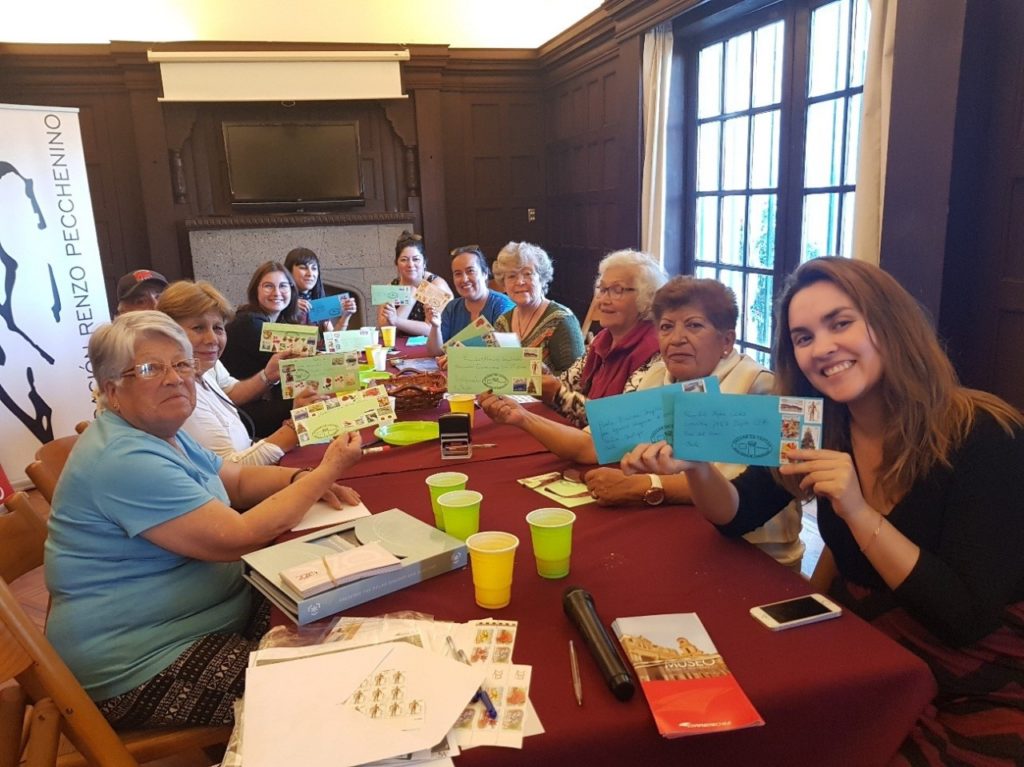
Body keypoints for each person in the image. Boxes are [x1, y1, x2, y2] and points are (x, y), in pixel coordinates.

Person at [621, 257, 1024, 763]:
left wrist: (856, 509)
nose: (822, 348)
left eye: (840, 323)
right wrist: (697, 466)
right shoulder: (815, 425)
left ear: (889, 324)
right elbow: (737, 515)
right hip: (864, 643)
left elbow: (963, 618)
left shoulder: (984, 433)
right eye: (804, 337)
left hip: (974, 670)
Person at [44, 310, 362, 728]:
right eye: (150, 369)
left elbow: (238, 480)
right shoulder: (123, 457)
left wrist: (299, 478)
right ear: (112, 390)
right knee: (326, 689)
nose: (175, 378)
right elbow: (238, 536)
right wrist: (326, 472)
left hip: (205, 616)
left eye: (181, 364)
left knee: (347, 607)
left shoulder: (161, 432)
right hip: (139, 662)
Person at [480, 275, 804, 568]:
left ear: (726, 341)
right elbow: (591, 445)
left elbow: (733, 487)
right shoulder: (657, 377)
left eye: (694, 326)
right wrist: (521, 418)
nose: (676, 339)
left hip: (755, 553)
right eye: (666, 327)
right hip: (679, 534)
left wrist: (645, 486)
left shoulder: (758, 386)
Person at [158, 280, 321, 465]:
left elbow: (231, 390)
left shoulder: (205, 366)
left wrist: (269, 375)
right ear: (169, 333)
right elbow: (232, 471)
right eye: (198, 328)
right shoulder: (178, 394)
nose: (212, 339)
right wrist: (297, 424)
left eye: (218, 328)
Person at [542, 249, 666, 427]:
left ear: (647, 298)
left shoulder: (654, 351)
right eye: (602, 289)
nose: (603, 300)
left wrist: (557, 395)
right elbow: (566, 384)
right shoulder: (604, 339)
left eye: (617, 290)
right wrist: (542, 376)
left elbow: (623, 423)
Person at [220, 261, 306, 438]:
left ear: (292, 290)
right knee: (313, 402)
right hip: (242, 412)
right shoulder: (250, 323)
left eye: (283, 286)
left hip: (262, 399)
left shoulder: (277, 322)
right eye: (268, 286)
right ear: (255, 291)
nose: (277, 293)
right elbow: (297, 365)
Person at [491, 241, 584, 375]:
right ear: (503, 284)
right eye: (512, 276)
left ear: (542, 278)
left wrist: (543, 378)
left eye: (527, 274)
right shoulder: (502, 323)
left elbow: (577, 379)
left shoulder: (561, 321)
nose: (520, 281)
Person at [425, 244, 514, 356]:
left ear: (485, 273)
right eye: (458, 274)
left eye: (470, 271)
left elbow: (506, 354)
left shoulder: (503, 305)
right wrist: (435, 326)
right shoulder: (452, 307)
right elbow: (435, 353)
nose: (464, 279)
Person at [377, 231, 452, 337]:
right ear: (396, 263)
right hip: (400, 344)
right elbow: (385, 330)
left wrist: (396, 320)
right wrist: (409, 301)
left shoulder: (435, 284)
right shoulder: (391, 287)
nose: (410, 264)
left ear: (424, 262)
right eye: (404, 260)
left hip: (433, 343)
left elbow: (430, 329)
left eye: (416, 259)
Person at [285, 246, 356, 331]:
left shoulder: (317, 300)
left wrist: (345, 316)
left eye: (314, 268)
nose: (310, 274)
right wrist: (290, 306)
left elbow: (333, 337)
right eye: (303, 268)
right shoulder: (279, 300)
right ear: (288, 271)